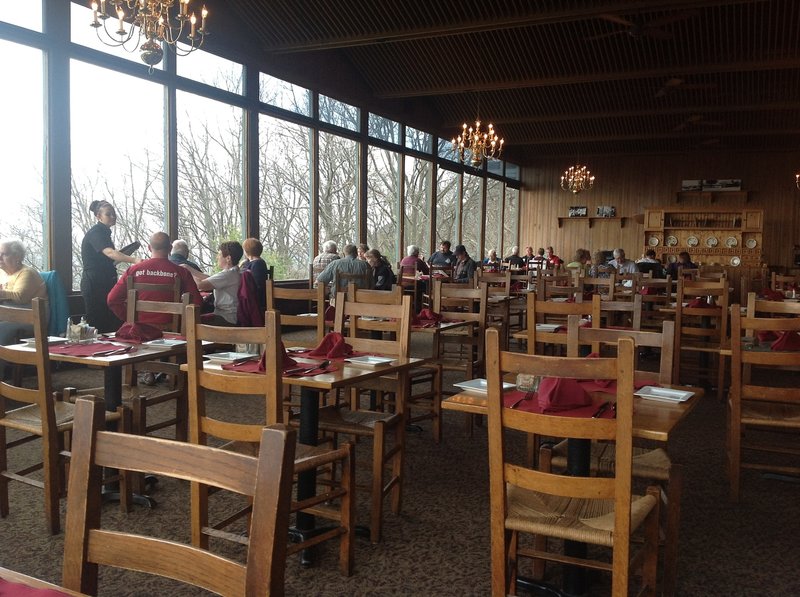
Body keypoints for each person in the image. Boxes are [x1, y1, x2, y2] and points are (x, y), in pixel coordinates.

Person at [107, 232, 203, 325]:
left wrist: (130, 318)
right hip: (171, 333)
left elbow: (112, 299)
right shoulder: (182, 272)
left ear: (149, 248)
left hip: (138, 329)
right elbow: (197, 303)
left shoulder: (133, 271)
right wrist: (179, 321)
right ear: (170, 248)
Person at [80, 200, 141, 333]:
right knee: (97, 322)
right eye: (108, 214)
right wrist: (134, 259)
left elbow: (108, 259)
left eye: (113, 213)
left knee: (110, 321)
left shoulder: (104, 233)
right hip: (94, 283)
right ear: (98, 216)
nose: (113, 216)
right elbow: (109, 253)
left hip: (105, 281)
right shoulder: (95, 233)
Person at [0, 239, 48, 370]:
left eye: (4, 254)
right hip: (13, 314)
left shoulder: (27, 273)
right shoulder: (6, 274)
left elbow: (20, 297)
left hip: (32, 316)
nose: (0, 257)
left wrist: (1, 293)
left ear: (17, 256)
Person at [185, 241, 243, 326]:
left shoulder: (227, 275)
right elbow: (209, 279)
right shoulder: (234, 272)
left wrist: (188, 271)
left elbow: (199, 285)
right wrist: (189, 268)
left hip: (226, 318)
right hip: (231, 316)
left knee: (189, 322)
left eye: (219, 255)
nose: (217, 257)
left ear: (228, 258)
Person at [241, 238, 269, 314]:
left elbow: (257, 284)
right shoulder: (249, 262)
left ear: (247, 250)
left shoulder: (258, 264)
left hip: (255, 298)